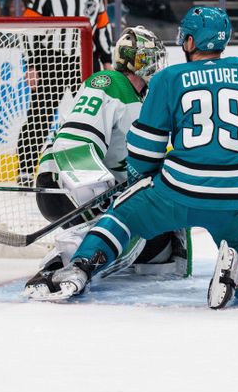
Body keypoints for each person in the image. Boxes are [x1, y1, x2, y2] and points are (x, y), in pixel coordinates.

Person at [33, 6, 238, 308]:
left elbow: (145, 153)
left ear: (189, 42)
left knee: (121, 218)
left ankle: (81, 266)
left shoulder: (169, 79)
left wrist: (142, 183)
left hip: (178, 192)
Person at [23, 26, 190, 299]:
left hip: (87, 186)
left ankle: (81, 258)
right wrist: (100, 196)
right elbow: (73, 147)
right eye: (153, 58)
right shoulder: (108, 81)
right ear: (140, 60)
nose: (158, 66)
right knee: (124, 227)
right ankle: (59, 263)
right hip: (66, 183)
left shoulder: (139, 100)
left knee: (157, 248)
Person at [18, 0, 113, 184]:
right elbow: (29, 28)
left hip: (85, 58)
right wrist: (32, 65)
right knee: (41, 111)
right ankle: (26, 168)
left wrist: (107, 60)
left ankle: (97, 161)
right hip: (51, 58)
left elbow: (101, 26)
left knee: (94, 112)